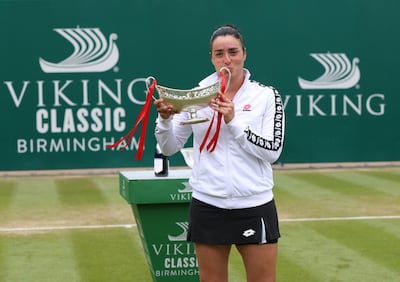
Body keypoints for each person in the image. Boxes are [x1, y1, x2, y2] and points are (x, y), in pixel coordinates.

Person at [154, 24, 285, 282]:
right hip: (208, 204)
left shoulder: (266, 96)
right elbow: (169, 147)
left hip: (254, 204)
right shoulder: (196, 95)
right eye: (219, 53)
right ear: (212, 58)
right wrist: (165, 121)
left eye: (233, 52)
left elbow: (273, 151)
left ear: (244, 54)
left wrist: (233, 122)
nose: (227, 59)